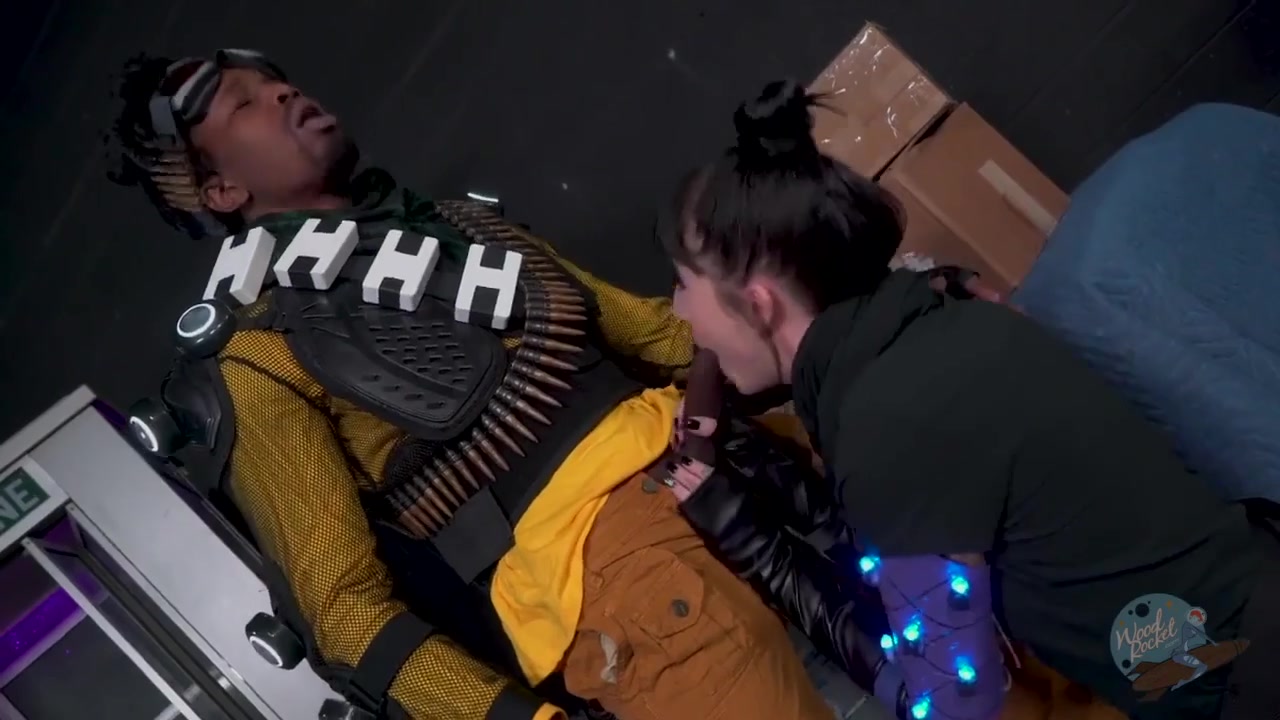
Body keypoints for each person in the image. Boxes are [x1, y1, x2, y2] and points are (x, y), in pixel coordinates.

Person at [106, 50, 848, 720]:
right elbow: (346, 616)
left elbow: (656, 335)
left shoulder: (460, 225)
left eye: (278, 81)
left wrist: (829, 330)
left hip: (741, 467)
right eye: (245, 102)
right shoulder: (256, 351)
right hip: (615, 583)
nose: (282, 93)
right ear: (223, 189)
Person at [657, 78, 1280, 719]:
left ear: (758, 303)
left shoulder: (884, 426)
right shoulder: (941, 323)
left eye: (682, 283)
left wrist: (768, 558)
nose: (679, 310)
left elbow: (956, 703)